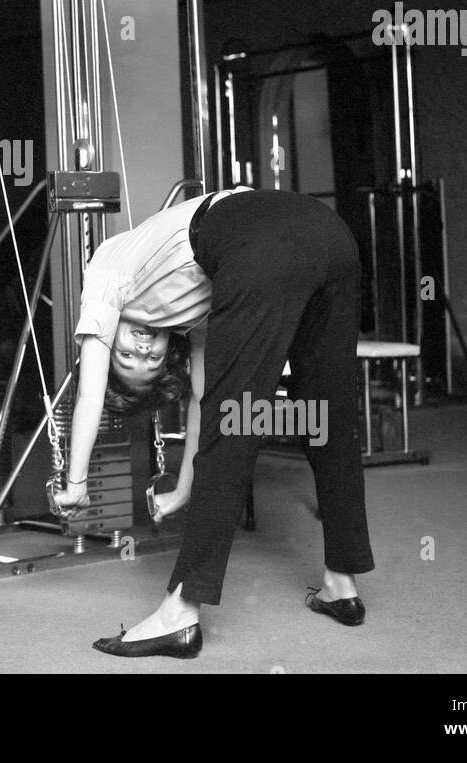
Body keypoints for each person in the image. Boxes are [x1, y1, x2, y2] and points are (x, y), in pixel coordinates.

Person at [55, 186, 374, 658]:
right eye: (146, 361)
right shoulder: (204, 309)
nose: (142, 350)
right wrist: (183, 491)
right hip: (328, 235)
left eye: (124, 353)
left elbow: (89, 392)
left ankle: (179, 613)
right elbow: (203, 402)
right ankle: (341, 584)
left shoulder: (104, 272)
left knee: (238, 424)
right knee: (325, 413)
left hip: (265, 234)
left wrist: (75, 481)